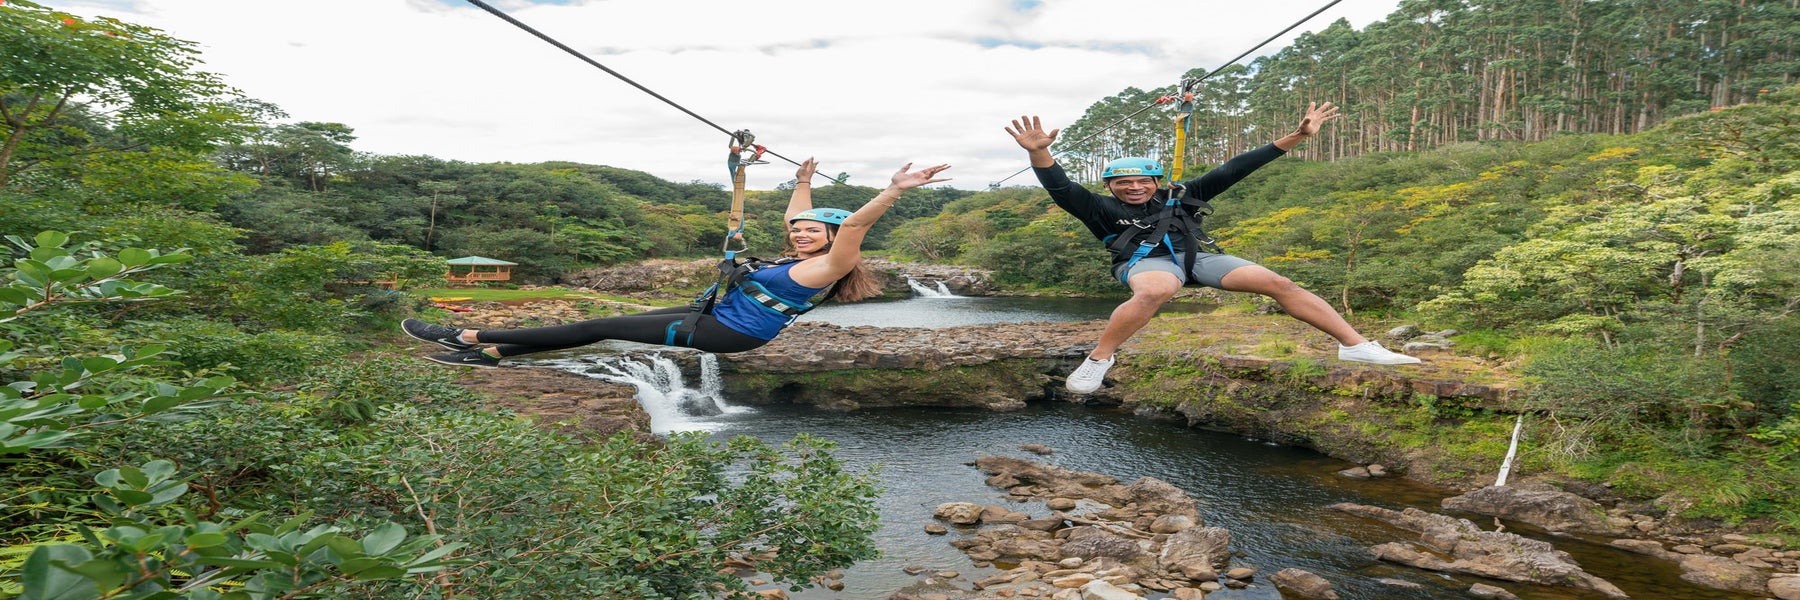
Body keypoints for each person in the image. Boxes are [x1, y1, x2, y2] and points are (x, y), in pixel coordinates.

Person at [1005, 102, 1419, 394]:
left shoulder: (1181, 195)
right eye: (1123, 183)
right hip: (1145, 264)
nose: (1133, 188)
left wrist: (1296, 136)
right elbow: (1059, 186)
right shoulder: (1096, 207)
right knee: (1156, 290)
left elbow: (1237, 166)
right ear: (1111, 186)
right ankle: (1099, 358)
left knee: (1279, 282)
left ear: (1156, 182)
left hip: (1196, 258)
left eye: (1142, 181)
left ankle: (1356, 347)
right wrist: (1041, 152)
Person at [404, 157, 952, 367]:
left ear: (833, 239)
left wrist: (893, 189)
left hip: (729, 332)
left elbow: (854, 226)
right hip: (711, 316)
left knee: (598, 324)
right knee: (598, 329)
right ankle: (494, 350)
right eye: (799, 228)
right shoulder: (798, 248)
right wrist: (802, 182)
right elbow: (798, 216)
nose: (802, 232)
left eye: (814, 231)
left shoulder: (828, 266)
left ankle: (469, 337)